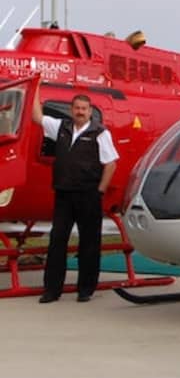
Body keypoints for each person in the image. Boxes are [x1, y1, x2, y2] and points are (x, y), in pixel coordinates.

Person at [32, 84, 119, 303]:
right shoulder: (61, 127)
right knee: (57, 240)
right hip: (63, 193)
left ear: (90, 111)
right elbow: (37, 117)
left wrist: (100, 190)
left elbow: (111, 164)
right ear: (71, 110)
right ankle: (52, 290)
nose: (80, 112)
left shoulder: (100, 133)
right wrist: (34, 86)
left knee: (89, 242)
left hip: (88, 194)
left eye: (84, 108)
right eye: (77, 108)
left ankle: (86, 289)